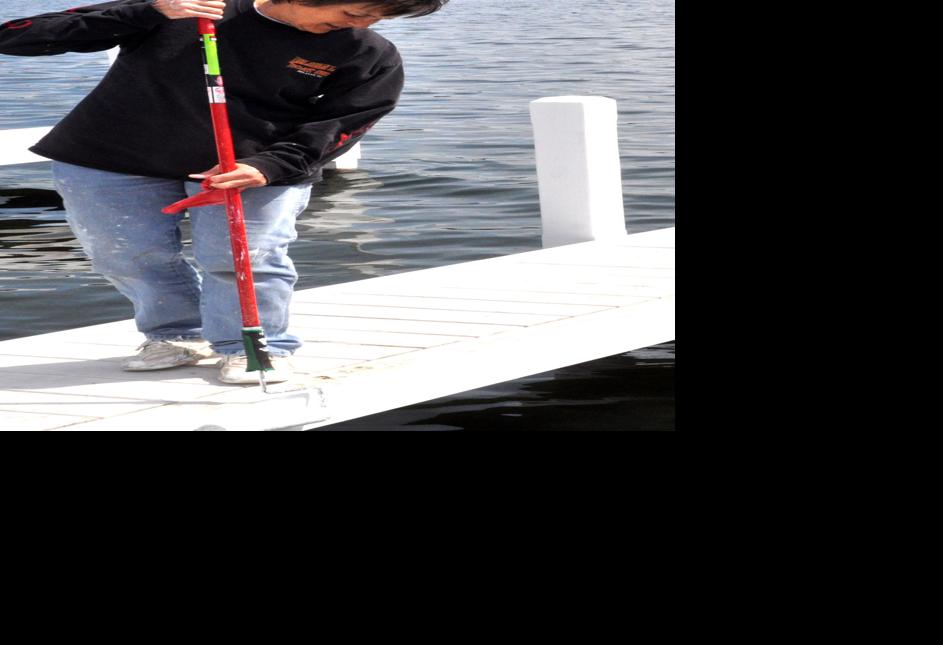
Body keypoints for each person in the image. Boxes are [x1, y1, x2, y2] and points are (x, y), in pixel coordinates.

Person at [0, 0, 448, 383]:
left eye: (378, 18)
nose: (362, 24)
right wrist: (145, 11)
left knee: (245, 258)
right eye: (355, 10)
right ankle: (175, 335)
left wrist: (269, 166)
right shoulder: (188, 8)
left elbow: (343, 124)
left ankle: (255, 345)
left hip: (249, 167)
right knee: (125, 254)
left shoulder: (368, 54)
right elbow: (17, 36)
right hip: (109, 153)